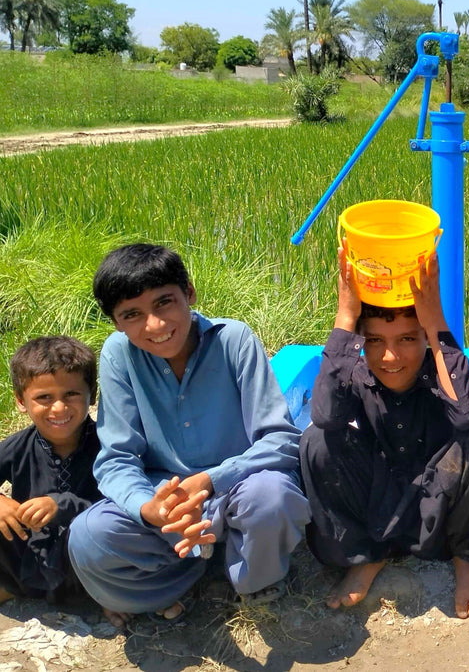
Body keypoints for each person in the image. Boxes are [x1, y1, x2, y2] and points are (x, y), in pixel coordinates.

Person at [68, 243, 310, 627]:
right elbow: (117, 458)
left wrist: (209, 481)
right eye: (132, 314)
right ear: (116, 323)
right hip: (167, 502)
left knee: (273, 498)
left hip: (238, 488)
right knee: (88, 537)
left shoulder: (233, 339)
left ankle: (252, 580)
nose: (155, 325)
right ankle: (193, 574)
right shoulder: (118, 355)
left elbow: (280, 439)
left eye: (164, 303)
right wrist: (152, 508)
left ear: (190, 294)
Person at [300, 246, 469, 619]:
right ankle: (367, 557)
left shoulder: (439, 370)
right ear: (362, 343)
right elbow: (325, 415)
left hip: (441, 508)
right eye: (376, 341)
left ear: (424, 339)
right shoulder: (359, 376)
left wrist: (435, 320)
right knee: (317, 440)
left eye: (407, 339)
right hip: (383, 505)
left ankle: (466, 558)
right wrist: (346, 316)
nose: (390, 358)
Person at [1, 337, 101, 605]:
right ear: (22, 401)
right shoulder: (17, 446)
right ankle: (12, 586)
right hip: (29, 554)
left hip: (86, 559)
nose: (59, 408)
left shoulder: (109, 444)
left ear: (92, 392)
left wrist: (62, 506)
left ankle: (107, 598)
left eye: (71, 394)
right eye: (44, 397)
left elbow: (120, 506)